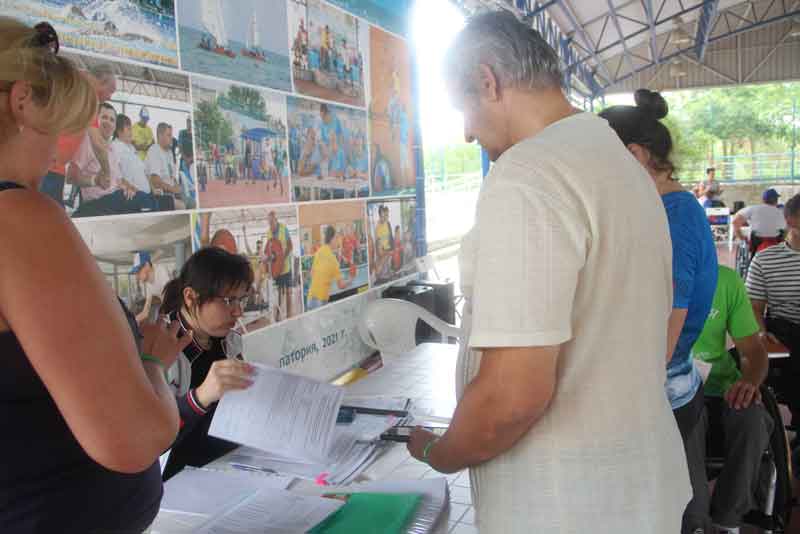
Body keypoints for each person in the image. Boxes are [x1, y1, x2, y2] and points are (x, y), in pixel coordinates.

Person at [406, 13, 690, 534]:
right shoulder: (618, 162)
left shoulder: (529, 174)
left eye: (463, 109)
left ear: (488, 82)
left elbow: (512, 397)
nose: (467, 133)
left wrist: (440, 452)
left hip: (566, 507)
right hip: (635, 491)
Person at [0, 18, 189, 532]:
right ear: (21, 103)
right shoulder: (19, 217)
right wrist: (152, 360)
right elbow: (137, 437)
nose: (59, 147)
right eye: (58, 124)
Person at [602, 89, 718, 534]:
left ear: (635, 155)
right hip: (671, 394)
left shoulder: (671, 218)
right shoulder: (668, 209)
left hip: (658, 400)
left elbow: (665, 332)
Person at [159, 247, 256, 480]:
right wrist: (200, 397)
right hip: (176, 484)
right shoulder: (159, 349)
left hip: (228, 467)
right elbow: (152, 438)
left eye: (241, 299)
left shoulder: (229, 342)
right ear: (191, 297)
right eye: (228, 300)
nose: (238, 311)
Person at [693, 265, 773, 534]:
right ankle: (695, 521)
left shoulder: (725, 281)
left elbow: (753, 350)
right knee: (688, 421)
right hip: (675, 391)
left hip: (722, 387)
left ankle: (727, 520)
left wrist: (749, 381)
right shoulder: (645, 278)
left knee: (752, 420)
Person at [746, 193, 800, 427]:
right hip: (787, 331)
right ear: (791, 221)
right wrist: (760, 332)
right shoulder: (766, 260)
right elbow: (754, 306)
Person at [40, 62, 116, 206]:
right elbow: (98, 144)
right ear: (101, 81)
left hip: (53, 167)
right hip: (47, 166)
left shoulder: (76, 83)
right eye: (110, 90)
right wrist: (106, 172)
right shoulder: (86, 91)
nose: (110, 97)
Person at [306, 225, 351, 311]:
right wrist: (351, 280)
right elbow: (341, 285)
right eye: (336, 238)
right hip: (321, 300)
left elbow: (312, 273)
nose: (338, 241)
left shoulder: (319, 251)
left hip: (310, 297)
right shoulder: (333, 259)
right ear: (332, 239)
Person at [733, 188, 786, 257]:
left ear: (763, 200)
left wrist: (742, 237)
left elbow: (735, 222)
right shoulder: (781, 213)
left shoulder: (752, 209)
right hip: (776, 243)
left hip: (756, 243)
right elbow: (787, 229)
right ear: (776, 200)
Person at [264, 211, 294, 321]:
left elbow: (290, 246)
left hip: (286, 267)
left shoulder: (283, 229)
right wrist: (267, 258)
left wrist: (282, 258)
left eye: (272, 222)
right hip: (277, 270)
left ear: (276, 220)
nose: (270, 225)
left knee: (289, 292)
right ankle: (278, 317)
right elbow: (268, 251)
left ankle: (290, 316)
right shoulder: (268, 233)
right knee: (280, 295)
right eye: (269, 223)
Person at [145, 122, 183, 209]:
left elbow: (173, 177)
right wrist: (173, 189)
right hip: (160, 195)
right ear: (160, 136)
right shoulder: (154, 151)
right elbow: (155, 181)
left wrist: (177, 187)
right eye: (168, 135)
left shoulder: (169, 152)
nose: (171, 138)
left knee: (191, 202)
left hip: (171, 193)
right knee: (183, 206)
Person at [133, 251, 173, 324]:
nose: (137, 276)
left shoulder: (161, 271)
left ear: (147, 265)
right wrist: (131, 322)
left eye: (138, 271)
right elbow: (145, 313)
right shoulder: (148, 284)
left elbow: (168, 298)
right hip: (169, 313)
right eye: (136, 273)